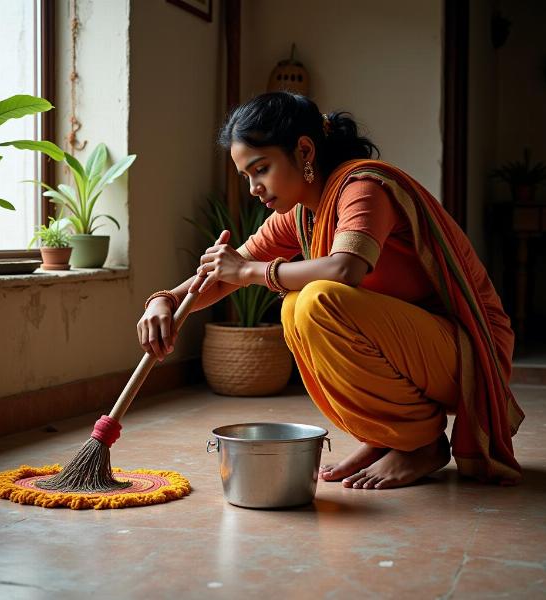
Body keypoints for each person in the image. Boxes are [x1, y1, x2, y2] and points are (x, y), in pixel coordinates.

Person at [137, 92, 524, 489]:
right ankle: (387, 437)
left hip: (468, 351)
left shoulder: (364, 187)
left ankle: (420, 443)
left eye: (261, 168)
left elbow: (345, 268)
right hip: (419, 349)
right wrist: (164, 300)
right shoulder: (302, 213)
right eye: (246, 177)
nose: (254, 187)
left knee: (317, 301)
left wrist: (252, 270)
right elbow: (225, 274)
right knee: (294, 307)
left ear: (304, 150)